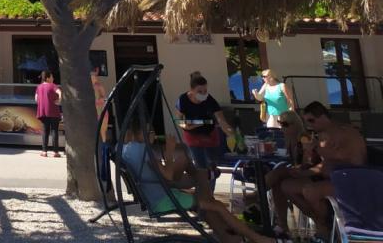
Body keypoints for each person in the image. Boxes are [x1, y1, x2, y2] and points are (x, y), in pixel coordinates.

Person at [120, 122, 285, 243]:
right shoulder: (145, 151)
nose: (153, 135)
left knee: (204, 197)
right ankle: (257, 238)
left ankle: (228, 236)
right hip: (163, 200)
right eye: (149, 132)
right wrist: (169, 152)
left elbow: (162, 175)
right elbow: (168, 175)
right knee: (217, 205)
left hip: (158, 195)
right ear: (138, 134)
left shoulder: (128, 150)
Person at [278, 101, 368, 242]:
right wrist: (305, 162)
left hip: (352, 180)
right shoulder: (321, 135)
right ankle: (321, 223)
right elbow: (322, 164)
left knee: (310, 191)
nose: (309, 125)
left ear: (323, 117)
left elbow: (341, 160)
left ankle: (327, 228)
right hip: (332, 177)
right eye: (306, 121)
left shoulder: (343, 132)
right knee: (287, 186)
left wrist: (315, 150)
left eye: (311, 121)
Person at [177, 71, 237, 177]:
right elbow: (178, 120)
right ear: (191, 90)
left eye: (205, 91)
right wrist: (185, 126)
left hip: (210, 134)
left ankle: (211, 184)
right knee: (201, 167)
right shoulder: (183, 99)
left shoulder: (210, 100)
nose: (203, 94)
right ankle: (204, 184)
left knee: (212, 165)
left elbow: (221, 120)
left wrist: (231, 133)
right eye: (199, 91)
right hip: (192, 135)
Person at [266, 110, 312, 237]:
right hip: (297, 172)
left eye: (285, 124)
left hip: (307, 174)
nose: (282, 128)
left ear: (295, 124)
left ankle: (257, 195)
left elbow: (308, 162)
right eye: (280, 124)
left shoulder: (304, 138)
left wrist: (296, 169)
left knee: (279, 172)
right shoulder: (290, 139)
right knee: (277, 183)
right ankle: (282, 225)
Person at [35, 71, 61, 157]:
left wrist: (42, 103)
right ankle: (55, 152)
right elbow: (59, 92)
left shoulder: (39, 87)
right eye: (52, 77)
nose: (53, 78)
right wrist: (59, 100)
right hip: (54, 112)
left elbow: (36, 99)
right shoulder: (53, 85)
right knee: (54, 131)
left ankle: (44, 151)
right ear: (47, 78)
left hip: (43, 112)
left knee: (45, 131)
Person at [92, 67, 109, 142]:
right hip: (94, 112)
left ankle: (104, 146)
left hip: (101, 111)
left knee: (102, 131)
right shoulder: (88, 87)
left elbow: (105, 99)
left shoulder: (99, 86)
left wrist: (100, 100)